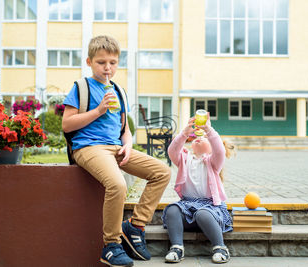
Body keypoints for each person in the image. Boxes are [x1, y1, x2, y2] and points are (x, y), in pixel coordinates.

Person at [62, 35, 171, 267]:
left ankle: (135, 226)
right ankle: (111, 245)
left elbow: (125, 129)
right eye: (101, 62)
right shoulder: (81, 87)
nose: (107, 67)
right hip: (88, 147)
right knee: (118, 184)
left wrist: (128, 144)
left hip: (116, 147)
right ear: (89, 61)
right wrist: (99, 110)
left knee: (161, 172)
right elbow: (67, 124)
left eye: (112, 62)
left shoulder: (119, 91)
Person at [161, 115, 234, 264]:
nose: (198, 138)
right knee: (172, 210)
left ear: (211, 146)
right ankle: (176, 248)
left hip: (209, 209)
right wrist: (185, 133)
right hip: (187, 207)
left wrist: (208, 129)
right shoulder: (184, 159)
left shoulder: (213, 162)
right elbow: (172, 151)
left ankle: (220, 247)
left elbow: (219, 150)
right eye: (194, 138)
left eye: (204, 138)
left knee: (202, 213)